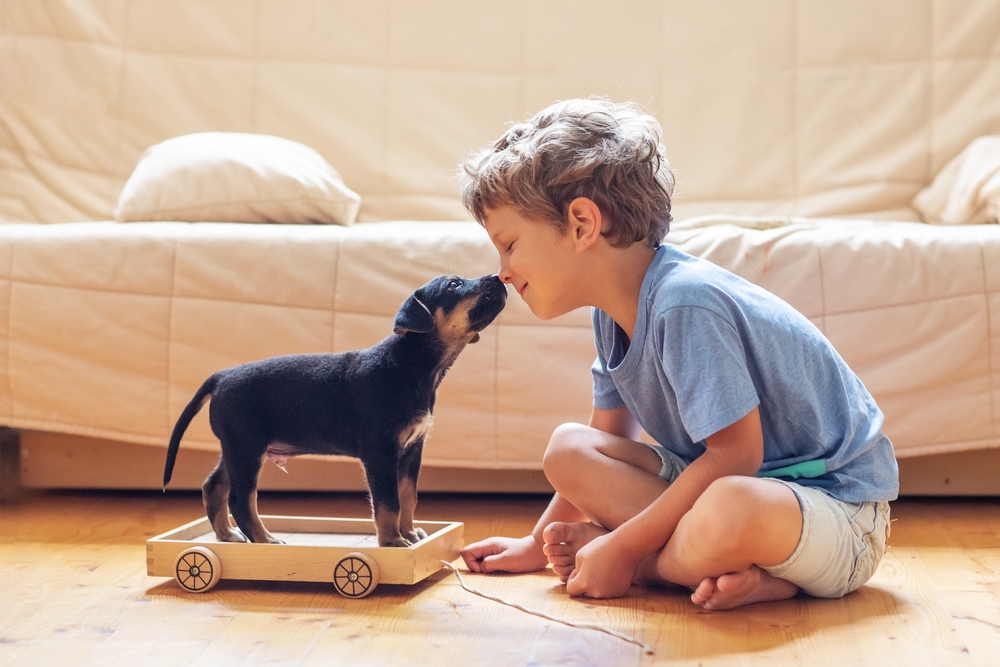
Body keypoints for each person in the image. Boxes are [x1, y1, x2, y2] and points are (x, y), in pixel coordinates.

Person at [456, 98, 898, 610]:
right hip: (734, 494)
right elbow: (606, 440)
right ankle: (735, 571)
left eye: (509, 244)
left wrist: (619, 548)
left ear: (581, 224)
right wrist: (538, 544)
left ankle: (651, 568)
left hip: (840, 511)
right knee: (569, 449)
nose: (503, 270)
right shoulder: (612, 313)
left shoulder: (684, 301)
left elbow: (737, 456)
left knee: (730, 505)